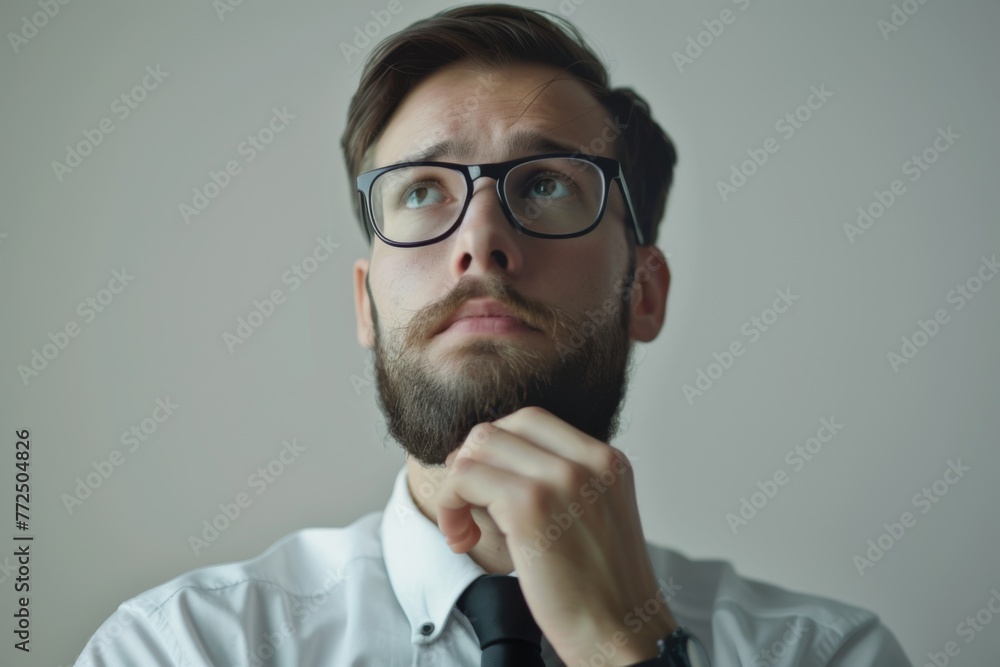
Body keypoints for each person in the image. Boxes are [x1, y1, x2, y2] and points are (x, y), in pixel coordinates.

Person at [75, 4, 912, 665]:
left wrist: (630, 650)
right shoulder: (181, 648)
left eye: (547, 183)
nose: (480, 240)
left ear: (643, 292)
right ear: (366, 304)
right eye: (422, 191)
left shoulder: (827, 653)